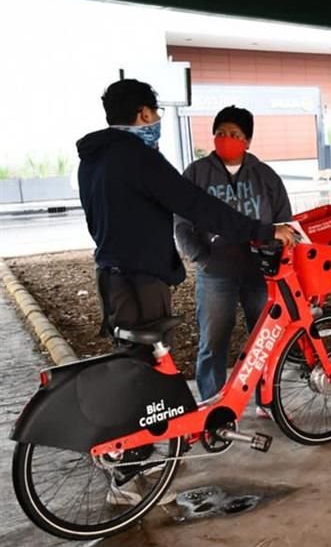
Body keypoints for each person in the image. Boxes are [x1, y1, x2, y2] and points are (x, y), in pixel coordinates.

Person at [77, 79, 296, 505]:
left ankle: (133, 462)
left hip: (113, 276)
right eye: (155, 113)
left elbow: (96, 220)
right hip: (143, 281)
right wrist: (264, 231)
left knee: (136, 369)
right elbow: (197, 208)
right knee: (149, 377)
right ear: (143, 113)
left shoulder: (94, 158)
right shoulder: (140, 158)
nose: (157, 120)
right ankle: (130, 472)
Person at [174, 106, 292, 406]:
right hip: (216, 273)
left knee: (264, 340)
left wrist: (274, 255)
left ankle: (267, 400)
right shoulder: (197, 173)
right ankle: (213, 407)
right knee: (213, 342)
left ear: (248, 141)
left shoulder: (265, 176)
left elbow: (284, 222)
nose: (227, 139)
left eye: (235, 134)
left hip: (259, 272)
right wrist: (203, 257)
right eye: (221, 133)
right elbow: (181, 223)